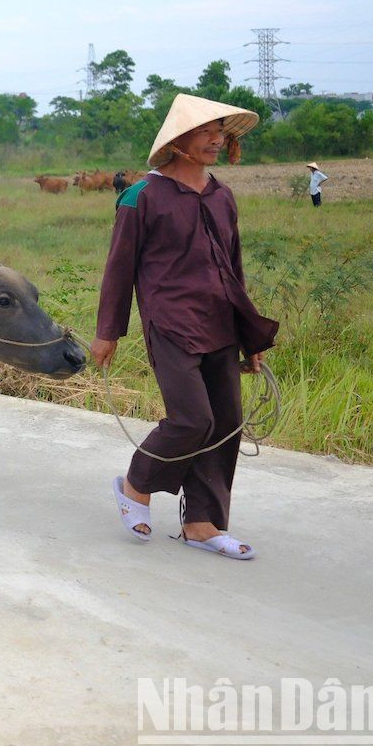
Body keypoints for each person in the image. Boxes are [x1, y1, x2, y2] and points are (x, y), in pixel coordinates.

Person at [94, 94, 279, 561]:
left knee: (226, 423)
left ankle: (201, 523)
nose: (217, 140)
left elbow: (233, 268)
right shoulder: (141, 197)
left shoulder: (221, 195)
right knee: (193, 420)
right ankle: (136, 484)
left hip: (221, 324)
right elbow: (119, 269)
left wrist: (250, 335)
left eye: (221, 132)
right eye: (206, 132)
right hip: (171, 323)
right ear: (179, 141)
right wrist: (108, 331)